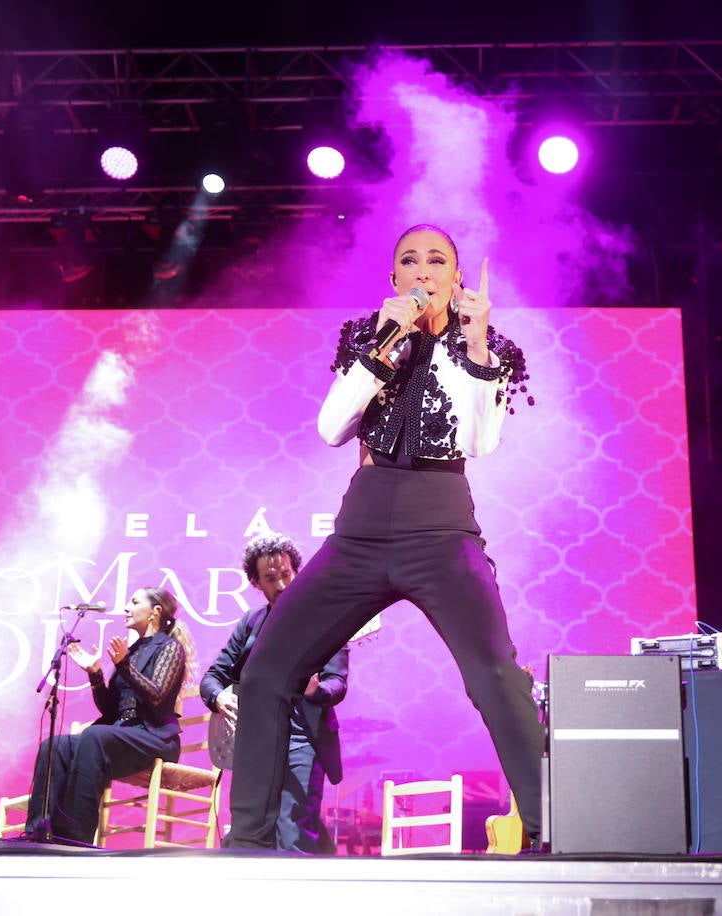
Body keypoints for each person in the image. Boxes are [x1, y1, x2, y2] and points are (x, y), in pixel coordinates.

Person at [226, 224, 545, 851]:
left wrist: (476, 345)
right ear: (393, 279)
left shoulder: (488, 348)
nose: (423, 271)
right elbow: (330, 429)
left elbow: (480, 442)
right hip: (362, 527)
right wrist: (382, 345)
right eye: (409, 261)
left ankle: (553, 825)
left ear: (457, 279)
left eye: (437, 261)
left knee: (496, 675)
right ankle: (249, 839)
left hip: (441, 523)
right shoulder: (366, 338)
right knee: (266, 670)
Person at [201, 533, 350, 853]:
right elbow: (213, 676)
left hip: (302, 733)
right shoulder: (251, 622)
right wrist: (218, 697)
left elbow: (337, 681)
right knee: (249, 829)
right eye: (271, 578)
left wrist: (317, 689)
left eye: (286, 574)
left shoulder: (325, 618)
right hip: (256, 736)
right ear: (256, 582)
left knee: (293, 823)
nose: (282, 584)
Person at [26, 586, 198, 844]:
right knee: (55, 745)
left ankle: (74, 836)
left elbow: (156, 695)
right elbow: (110, 711)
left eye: (134, 602)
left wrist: (123, 667)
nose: (126, 607)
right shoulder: (131, 652)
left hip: (155, 738)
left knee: (95, 736)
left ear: (156, 612)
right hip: (124, 734)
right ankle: (40, 830)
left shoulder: (170, 648)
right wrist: (95, 674)